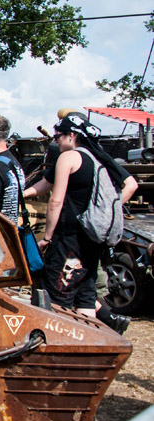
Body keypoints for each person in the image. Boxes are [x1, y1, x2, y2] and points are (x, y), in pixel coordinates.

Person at [22, 113, 137, 326]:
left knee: (58, 294)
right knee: (86, 294)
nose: (56, 140)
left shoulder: (69, 157)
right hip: (93, 235)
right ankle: (89, 342)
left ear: (71, 135)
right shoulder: (98, 157)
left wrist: (47, 237)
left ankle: (62, 343)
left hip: (69, 237)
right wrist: (105, 212)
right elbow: (46, 183)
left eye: (58, 136)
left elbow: (55, 200)